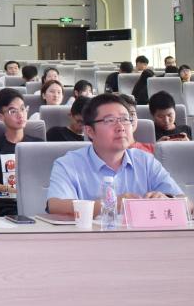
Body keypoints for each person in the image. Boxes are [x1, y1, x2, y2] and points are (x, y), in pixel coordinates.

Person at [46, 93, 186, 217]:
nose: (121, 127)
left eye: (125, 119)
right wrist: (111, 204)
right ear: (90, 131)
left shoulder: (145, 161)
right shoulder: (68, 164)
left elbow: (187, 204)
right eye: (110, 121)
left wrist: (168, 201)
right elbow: (55, 206)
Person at [0, 89, 44, 195]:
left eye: (23, 109)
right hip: (6, 202)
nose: (21, 115)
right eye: (13, 111)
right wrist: (17, 192)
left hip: (36, 200)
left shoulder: (39, 145)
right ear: (0, 116)